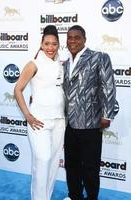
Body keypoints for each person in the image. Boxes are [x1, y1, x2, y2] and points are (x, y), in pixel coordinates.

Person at [63, 25, 116, 200]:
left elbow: (108, 86)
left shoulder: (98, 57)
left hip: (91, 122)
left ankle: (92, 197)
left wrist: (107, 115)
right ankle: (74, 195)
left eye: (76, 37)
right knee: (72, 165)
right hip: (69, 124)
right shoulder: (66, 63)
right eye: (69, 37)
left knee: (91, 167)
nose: (72, 41)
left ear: (84, 39)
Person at [14, 25, 65, 200]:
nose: (50, 47)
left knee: (53, 165)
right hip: (39, 122)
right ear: (41, 44)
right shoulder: (33, 63)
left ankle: (47, 197)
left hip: (59, 121)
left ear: (59, 45)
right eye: (47, 43)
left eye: (54, 44)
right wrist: (28, 115)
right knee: (42, 161)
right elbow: (18, 89)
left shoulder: (60, 62)